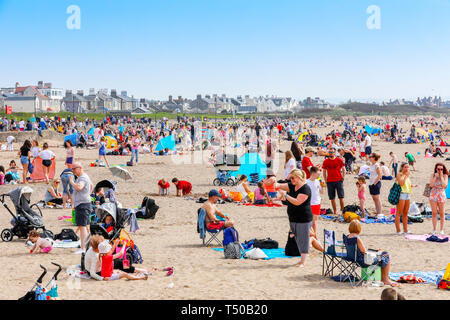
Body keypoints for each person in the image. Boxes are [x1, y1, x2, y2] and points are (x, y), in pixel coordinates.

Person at [347, 220, 400, 287]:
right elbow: (364, 251)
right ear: (358, 228)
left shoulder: (347, 237)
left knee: (382, 254)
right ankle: (385, 279)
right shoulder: (356, 238)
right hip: (363, 261)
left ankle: (383, 278)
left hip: (353, 258)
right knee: (386, 255)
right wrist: (374, 253)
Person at [277, 169, 312, 267]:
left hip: (304, 218)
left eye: (293, 178)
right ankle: (302, 260)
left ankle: (303, 261)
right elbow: (279, 185)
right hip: (293, 217)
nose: (291, 180)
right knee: (297, 238)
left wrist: (285, 195)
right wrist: (273, 183)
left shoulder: (305, 189)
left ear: (299, 177)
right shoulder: (292, 186)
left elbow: (297, 202)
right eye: (290, 178)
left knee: (303, 239)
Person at [69, 162, 93, 254]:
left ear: (80, 168)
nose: (73, 171)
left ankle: (83, 248)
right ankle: (87, 246)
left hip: (83, 204)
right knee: (86, 226)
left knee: (83, 227)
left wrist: (72, 182)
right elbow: (91, 186)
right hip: (83, 203)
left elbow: (79, 187)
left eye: (74, 169)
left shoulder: (82, 177)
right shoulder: (82, 177)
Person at [395, 163, 417, 235]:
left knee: (405, 213)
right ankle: (398, 230)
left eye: (408, 167)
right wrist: (405, 176)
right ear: (402, 167)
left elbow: (407, 184)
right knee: (399, 213)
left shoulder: (407, 175)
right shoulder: (399, 174)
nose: (407, 168)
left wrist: (412, 185)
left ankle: (405, 230)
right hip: (401, 194)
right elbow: (401, 183)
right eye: (405, 167)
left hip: (407, 194)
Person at [322, 147, 346, 215]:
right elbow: (324, 172)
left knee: (341, 197)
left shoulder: (339, 160)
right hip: (330, 181)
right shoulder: (326, 161)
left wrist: (342, 178)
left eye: (332, 152)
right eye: (329, 152)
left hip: (338, 180)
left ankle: (342, 211)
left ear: (335, 153)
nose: (330, 153)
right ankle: (335, 211)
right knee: (332, 198)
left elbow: (344, 170)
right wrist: (325, 180)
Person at [429, 163, 448, 235]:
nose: (440, 170)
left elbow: (444, 185)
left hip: (441, 194)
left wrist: (441, 177)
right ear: (436, 169)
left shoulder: (445, 176)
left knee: (442, 213)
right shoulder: (433, 175)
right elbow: (431, 185)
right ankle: (434, 229)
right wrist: (435, 177)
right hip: (433, 194)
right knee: (434, 213)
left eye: (441, 169)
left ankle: (441, 229)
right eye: (438, 169)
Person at [306, 166, 322, 235]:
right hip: (309, 203)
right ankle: (313, 235)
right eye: (318, 174)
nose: (319, 175)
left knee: (314, 221)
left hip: (317, 203)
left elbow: (321, 192)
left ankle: (314, 235)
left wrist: (322, 185)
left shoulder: (318, 181)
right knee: (310, 221)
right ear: (313, 173)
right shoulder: (306, 182)